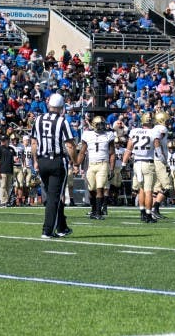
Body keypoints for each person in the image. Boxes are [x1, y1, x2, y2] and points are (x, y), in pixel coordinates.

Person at [32, 94, 76, 237]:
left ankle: (62, 227)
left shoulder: (38, 119)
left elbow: (34, 143)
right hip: (57, 161)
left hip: (42, 160)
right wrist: (75, 161)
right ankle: (48, 230)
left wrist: (35, 160)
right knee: (54, 197)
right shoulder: (62, 121)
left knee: (52, 195)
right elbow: (70, 145)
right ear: (61, 107)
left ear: (49, 105)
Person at [123, 112, 160, 224]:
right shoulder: (154, 132)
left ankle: (142, 212)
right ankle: (148, 215)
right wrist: (163, 162)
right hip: (148, 163)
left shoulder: (134, 131)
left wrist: (124, 164)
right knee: (148, 191)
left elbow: (128, 150)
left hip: (137, 163)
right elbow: (158, 150)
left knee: (141, 190)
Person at [78, 115, 115, 220]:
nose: (101, 126)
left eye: (102, 124)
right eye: (99, 124)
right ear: (94, 124)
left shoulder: (109, 135)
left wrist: (112, 168)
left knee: (100, 188)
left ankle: (98, 212)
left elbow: (112, 153)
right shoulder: (87, 134)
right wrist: (76, 164)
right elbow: (82, 152)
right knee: (91, 189)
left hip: (103, 164)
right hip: (91, 165)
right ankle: (94, 210)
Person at [0, 136, 15, 207]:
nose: (2, 141)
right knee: (3, 186)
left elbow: (14, 159)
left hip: (10, 170)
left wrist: (15, 159)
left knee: (8, 187)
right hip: (2, 170)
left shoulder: (11, 149)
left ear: (7, 140)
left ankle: (7, 201)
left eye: (4, 140)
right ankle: (3, 201)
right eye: (2, 140)